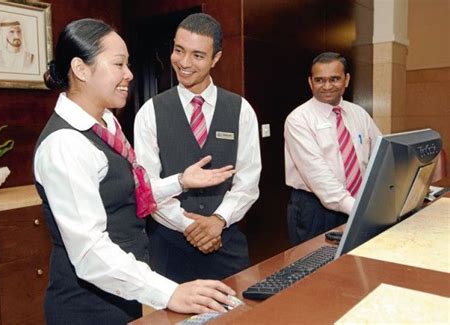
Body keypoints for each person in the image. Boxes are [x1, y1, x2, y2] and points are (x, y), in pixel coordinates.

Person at [33, 18, 239, 324]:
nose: (129, 74)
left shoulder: (106, 122)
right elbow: (90, 253)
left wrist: (180, 181)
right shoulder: (65, 144)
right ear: (80, 69)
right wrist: (169, 292)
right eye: (119, 64)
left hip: (119, 295)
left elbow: (124, 195)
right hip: (85, 307)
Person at [134, 13, 261, 283]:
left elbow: (248, 182)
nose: (184, 63)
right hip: (169, 248)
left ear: (216, 58)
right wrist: (191, 227)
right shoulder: (149, 113)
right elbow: (148, 188)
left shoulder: (241, 111)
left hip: (226, 242)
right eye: (179, 50)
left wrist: (217, 221)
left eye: (198, 55)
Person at [284, 52, 381, 246]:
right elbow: (319, 177)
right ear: (310, 82)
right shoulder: (298, 120)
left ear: (346, 79)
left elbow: (380, 155)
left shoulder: (359, 114)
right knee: (314, 270)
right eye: (319, 80)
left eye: (334, 79)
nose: (327, 86)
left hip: (356, 201)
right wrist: (361, 210)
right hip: (315, 210)